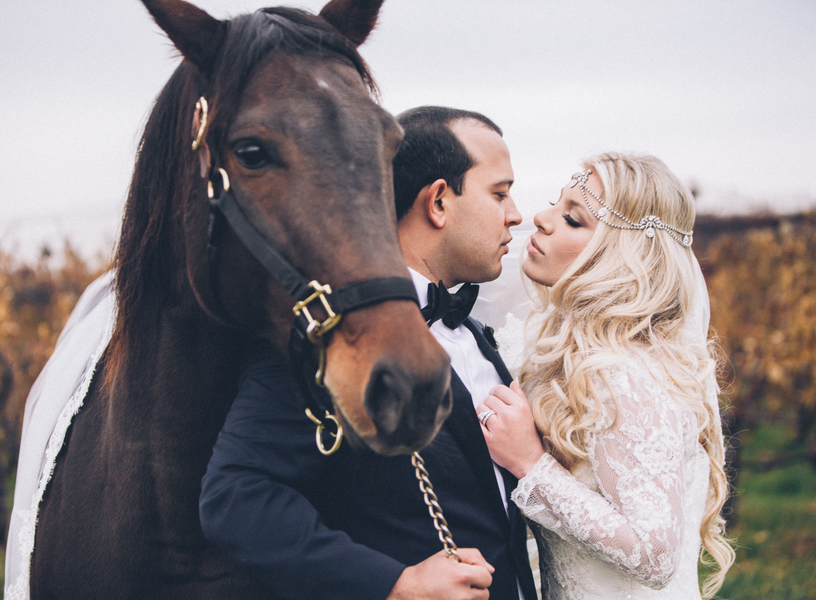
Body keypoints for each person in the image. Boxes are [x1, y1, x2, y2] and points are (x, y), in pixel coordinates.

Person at [199, 106, 538, 600]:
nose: (516, 215)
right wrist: (394, 584)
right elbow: (235, 495)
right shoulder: (327, 337)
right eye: (500, 193)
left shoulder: (480, 334)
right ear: (438, 202)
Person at [476, 153, 734, 600]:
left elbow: (655, 555)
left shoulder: (625, 373)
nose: (541, 219)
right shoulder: (574, 357)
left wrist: (530, 465)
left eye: (572, 219)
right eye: (555, 205)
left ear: (621, 256)